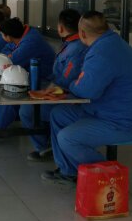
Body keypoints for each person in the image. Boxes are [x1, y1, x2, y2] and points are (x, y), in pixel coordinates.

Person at [42, 12, 132, 185]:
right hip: (109, 111)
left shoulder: (103, 52)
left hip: (127, 122)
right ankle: (69, 171)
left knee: (68, 138)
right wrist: (76, 84)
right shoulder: (111, 42)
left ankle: (111, 177)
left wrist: (71, 84)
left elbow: (87, 91)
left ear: (82, 33)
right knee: (59, 114)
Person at [19, 9, 88, 161]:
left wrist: (45, 92)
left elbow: (66, 80)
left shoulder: (76, 49)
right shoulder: (70, 44)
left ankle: (44, 147)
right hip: (59, 89)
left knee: (27, 110)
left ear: (61, 28)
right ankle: (50, 142)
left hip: (68, 97)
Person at [0, 17, 56, 129]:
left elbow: (8, 62)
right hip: (28, 76)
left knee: (9, 96)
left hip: (44, 81)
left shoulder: (31, 42)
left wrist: (8, 56)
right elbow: (5, 52)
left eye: (2, 35)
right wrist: (8, 56)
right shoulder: (21, 36)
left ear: (8, 36)